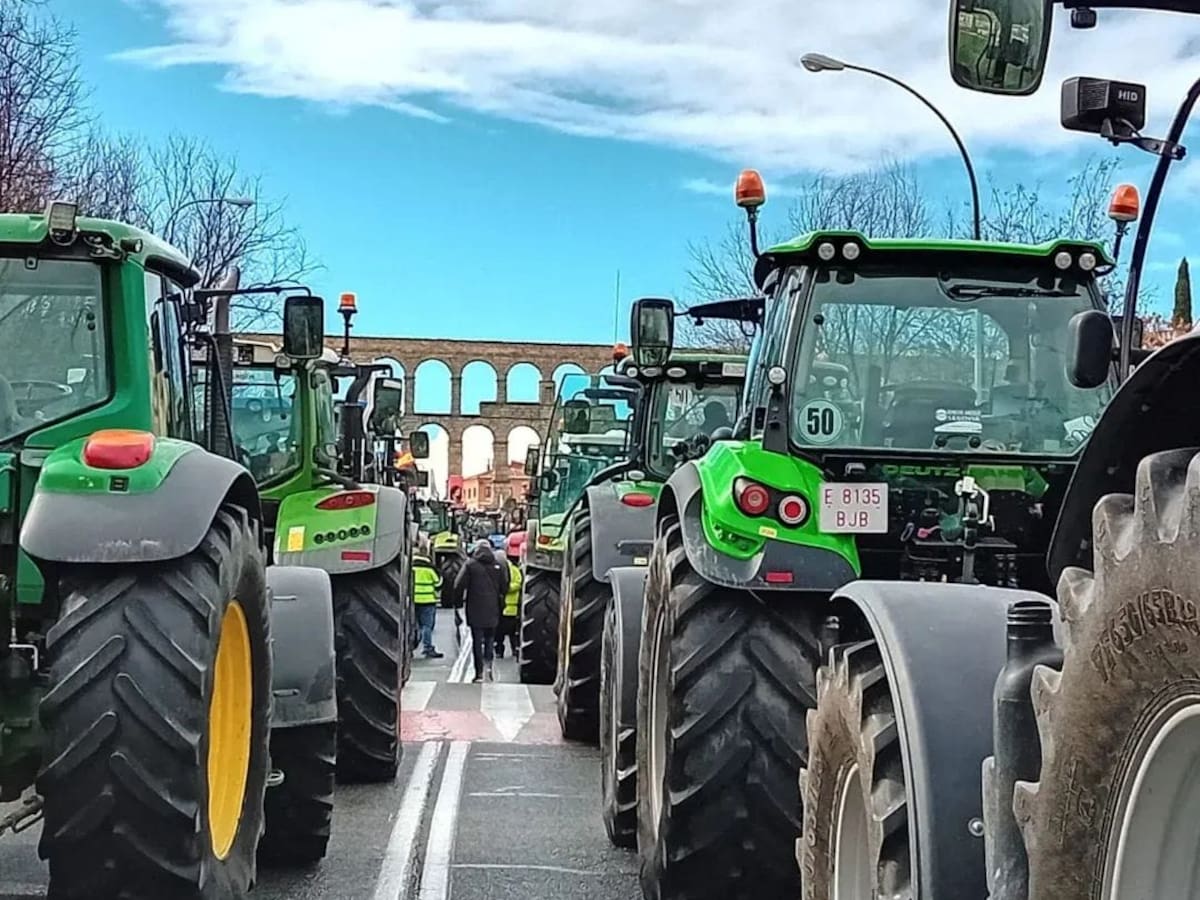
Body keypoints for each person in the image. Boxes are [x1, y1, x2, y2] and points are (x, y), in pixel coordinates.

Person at [453, 540, 509, 682]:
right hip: (493, 608)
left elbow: (458, 585)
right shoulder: (498, 565)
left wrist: (457, 603)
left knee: (477, 640)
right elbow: (505, 585)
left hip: (475, 608)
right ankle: (488, 667)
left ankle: (478, 673)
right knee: (490, 639)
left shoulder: (470, 565)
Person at [412, 551, 444, 659]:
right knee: (426, 626)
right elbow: (438, 584)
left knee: (412, 626)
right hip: (428, 601)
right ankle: (427, 648)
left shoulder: (411, 568)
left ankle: (409, 648)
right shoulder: (430, 569)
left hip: (412, 601)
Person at [495, 546, 522, 659]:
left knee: (512, 631)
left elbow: (518, 583)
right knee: (498, 633)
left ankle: (514, 650)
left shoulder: (513, 569)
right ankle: (499, 651)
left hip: (511, 607)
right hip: (498, 607)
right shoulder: (495, 568)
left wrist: (506, 588)